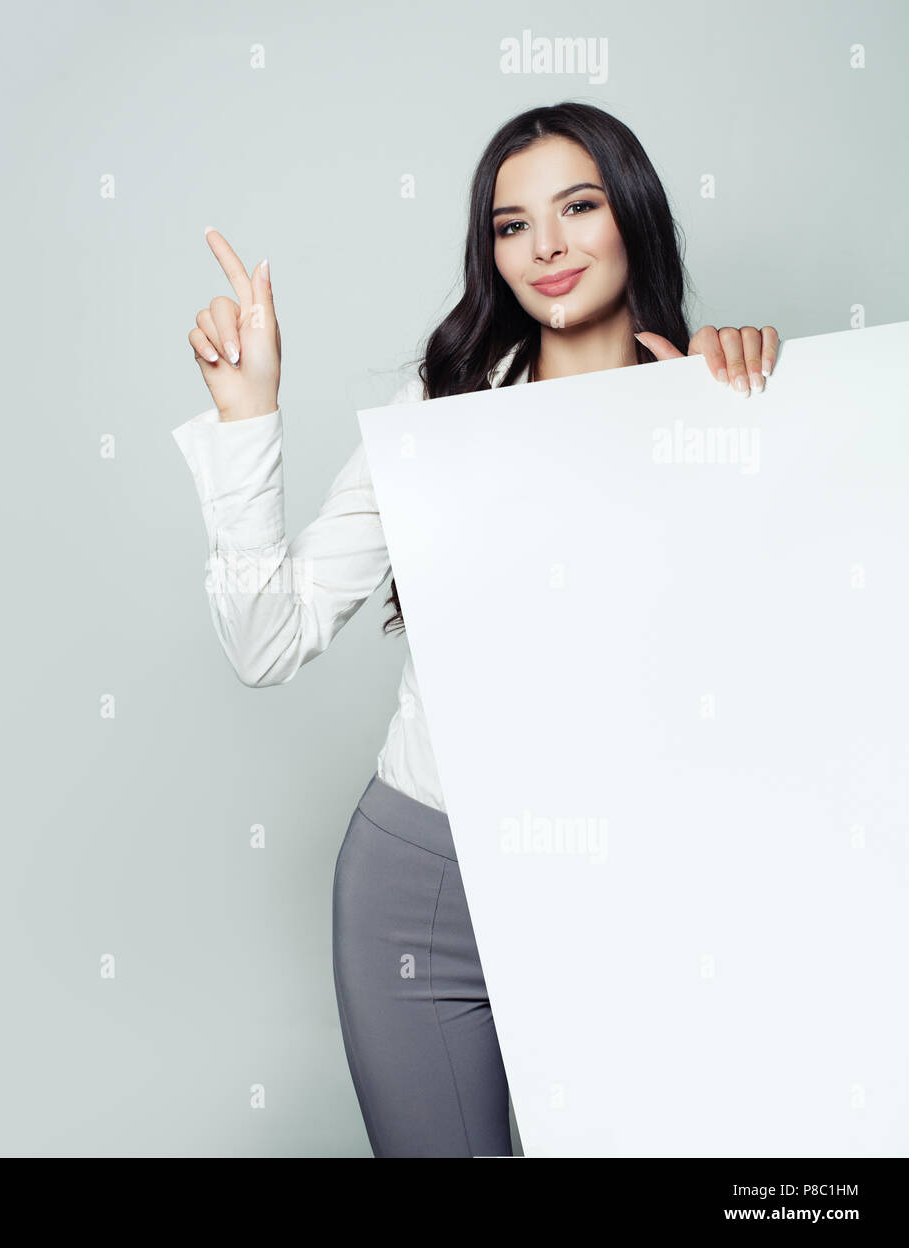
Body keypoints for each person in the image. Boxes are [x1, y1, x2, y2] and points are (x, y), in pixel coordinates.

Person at [171, 101, 780, 1158]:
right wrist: (246, 414)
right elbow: (267, 639)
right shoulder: (437, 407)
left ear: (631, 214)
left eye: (577, 207)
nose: (543, 247)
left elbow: (779, 664)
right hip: (423, 891)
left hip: (627, 882)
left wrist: (756, 410)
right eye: (509, 225)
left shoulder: (718, 403)